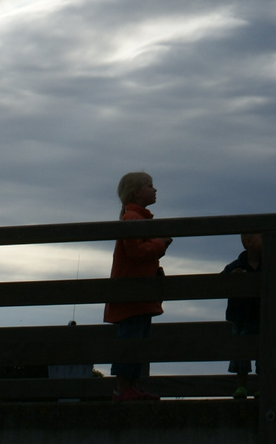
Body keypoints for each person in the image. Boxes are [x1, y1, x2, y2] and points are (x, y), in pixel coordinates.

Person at [104, 171, 172, 401]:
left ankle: (130, 386)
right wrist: (160, 244)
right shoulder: (133, 218)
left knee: (137, 341)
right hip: (133, 295)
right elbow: (137, 252)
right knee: (131, 342)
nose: (155, 189)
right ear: (136, 192)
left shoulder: (136, 217)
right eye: (149, 185)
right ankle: (123, 388)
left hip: (138, 295)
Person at [220, 232, 262, 399]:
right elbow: (218, 284)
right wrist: (231, 280)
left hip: (262, 315)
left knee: (263, 352)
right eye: (262, 237)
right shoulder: (235, 266)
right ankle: (241, 385)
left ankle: (262, 385)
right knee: (240, 352)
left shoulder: (271, 264)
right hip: (241, 316)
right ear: (248, 241)